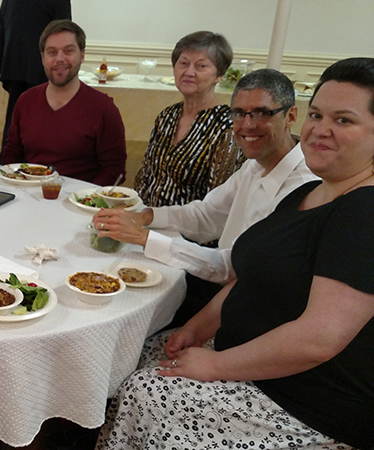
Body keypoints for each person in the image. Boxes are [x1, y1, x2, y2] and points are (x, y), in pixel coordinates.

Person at [96, 57, 374, 450]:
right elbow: (246, 274)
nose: (320, 130)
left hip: (303, 399)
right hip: (238, 352)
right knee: (128, 356)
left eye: (343, 120)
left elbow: (319, 339)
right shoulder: (305, 193)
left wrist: (216, 365)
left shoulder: (363, 211)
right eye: (317, 115)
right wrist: (198, 327)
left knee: (145, 390)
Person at [93, 69, 317, 328]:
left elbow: (232, 267)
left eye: (262, 113)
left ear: (290, 115)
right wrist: (145, 216)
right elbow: (206, 215)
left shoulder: (301, 189)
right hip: (220, 285)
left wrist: (143, 237)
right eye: (239, 113)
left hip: (246, 309)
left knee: (121, 312)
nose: (247, 124)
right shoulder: (255, 165)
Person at [1, 20, 126, 186]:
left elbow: (114, 169)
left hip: (80, 202)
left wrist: (87, 199)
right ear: (42, 58)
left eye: (68, 51)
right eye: (52, 52)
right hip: (28, 195)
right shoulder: (26, 101)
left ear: (82, 55)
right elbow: (12, 155)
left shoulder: (103, 108)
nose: (60, 59)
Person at [134, 31, 242, 208]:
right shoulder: (167, 117)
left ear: (219, 75)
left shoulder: (227, 127)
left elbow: (219, 203)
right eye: (183, 63)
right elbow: (144, 177)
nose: (189, 72)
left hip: (191, 232)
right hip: (148, 221)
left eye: (201, 66)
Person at [0, 0, 71, 159]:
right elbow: (65, 34)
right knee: (44, 130)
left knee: (14, 128)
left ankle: (7, 170)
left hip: (14, 68)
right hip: (43, 72)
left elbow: (1, 35)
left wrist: (6, 71)